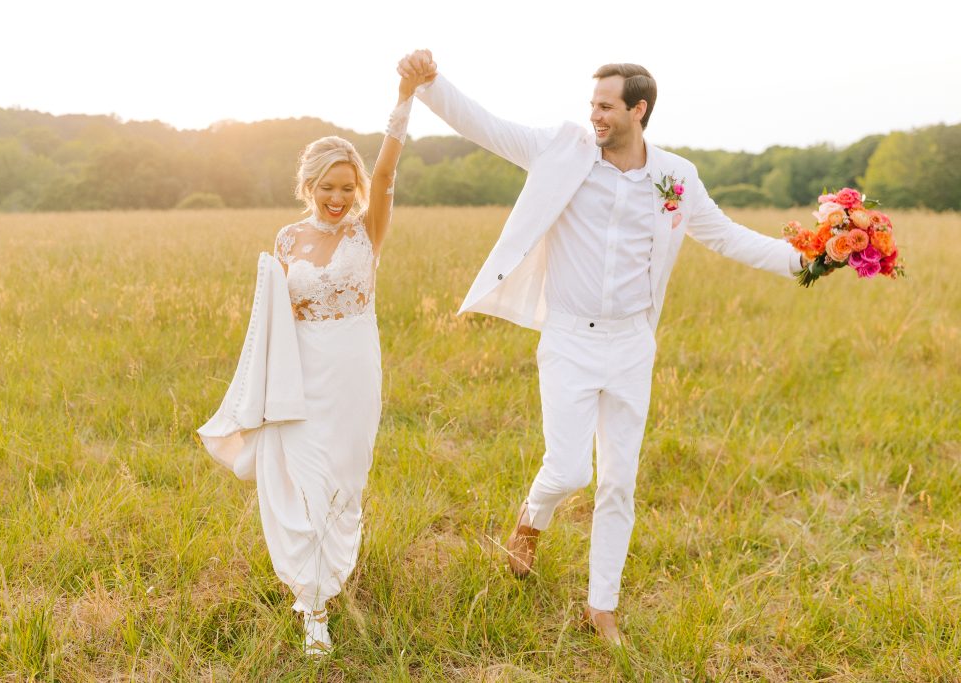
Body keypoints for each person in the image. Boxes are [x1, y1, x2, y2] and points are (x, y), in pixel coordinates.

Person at [397, 50, 804, 646]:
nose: (595, 116)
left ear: (639, 110)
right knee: (567, 471)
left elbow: (728, 237)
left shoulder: (676, 177)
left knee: (620, 481)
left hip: (632, 343)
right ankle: (530, 522)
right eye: (592, 105)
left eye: (606, 106)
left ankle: (601, 606)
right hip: (569, 336)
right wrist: (430, 84)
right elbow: (487, 127)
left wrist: (809, 261)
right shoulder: (564, 150)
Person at [202, 69, 431, 657]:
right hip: (299, 376)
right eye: (328, 187)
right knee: (301, 481)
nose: (337, 198)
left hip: (354, 369)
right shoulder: (284, 241)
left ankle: (331, 577)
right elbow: (274, 319)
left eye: (346, 188)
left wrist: (403, 101)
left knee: (342, 483)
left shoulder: (369, 230)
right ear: (309, 185)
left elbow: (385, 172)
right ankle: (314, 607)